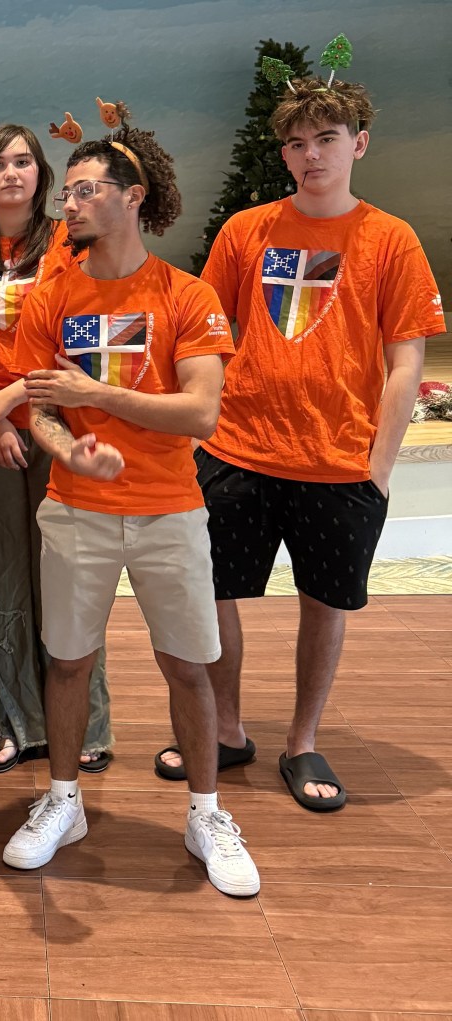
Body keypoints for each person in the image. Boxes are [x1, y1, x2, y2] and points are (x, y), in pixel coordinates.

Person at [157, 70, 445, 809]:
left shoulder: (390, 239)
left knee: (325, 603)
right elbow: (207, 336)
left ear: (359, 144)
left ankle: (302, 740)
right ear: (283, 153)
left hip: (340, 462)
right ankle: (226, 729)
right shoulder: (246, 231)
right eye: (296, 142)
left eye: (326, 138)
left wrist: (378, 469)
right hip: (237, 452)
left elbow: (406, 362)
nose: (311, 154)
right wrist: (197, 432)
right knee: (213, 592)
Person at [6, 128, 261, 897]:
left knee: (188, 665)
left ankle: (207, 814)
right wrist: (70, 450)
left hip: (168, 510)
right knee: (68, 660)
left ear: (133, 197)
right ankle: (64, 801)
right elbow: (39, 412)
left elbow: (200, 412)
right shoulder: (51, 297)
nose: (70, 204)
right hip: (75, 509)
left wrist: (97, 396)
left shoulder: (186, 295)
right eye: (68, 192)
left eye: (86, 190)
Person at [0, 123, 113, 774]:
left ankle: (86, 720)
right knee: (0, 572)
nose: (11, 173)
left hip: (59, 421)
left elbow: (80, 333)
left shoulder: (72, 244)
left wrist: (15, 397)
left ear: (42, 174)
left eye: (23, 161)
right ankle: (13, 718)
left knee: (67, 570)